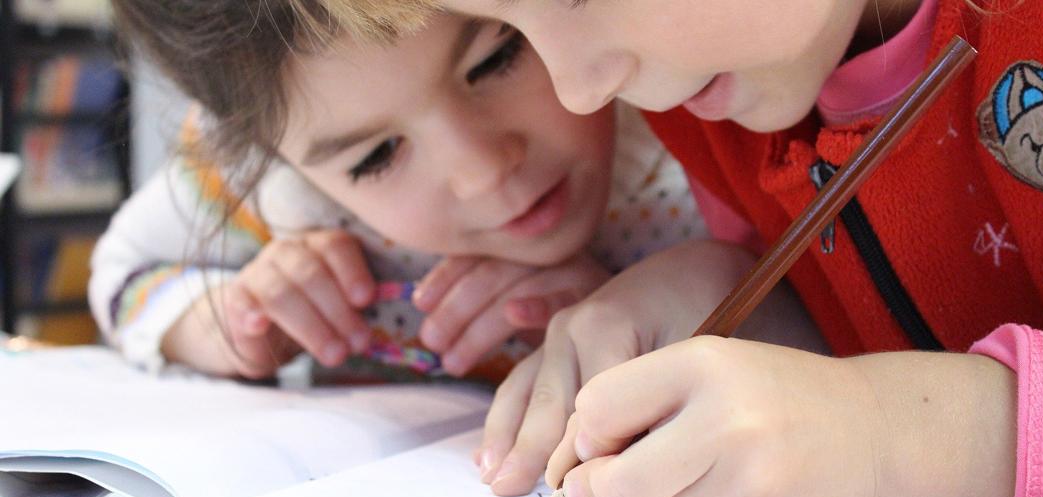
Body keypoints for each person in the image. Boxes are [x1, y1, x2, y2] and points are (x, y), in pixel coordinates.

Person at [324, 0, 1043, 497]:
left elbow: (878, 405)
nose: (580, 90)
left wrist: (887, 436)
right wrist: (726, 290)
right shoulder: (710, 100)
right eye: (518, 26)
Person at [90, 2, 823, 387]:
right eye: (376, 157)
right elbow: (122, 272)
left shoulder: (697, 107)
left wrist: (677, 311)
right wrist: (226, 324)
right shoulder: (272, 194)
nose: (482, 171)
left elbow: (838, 343)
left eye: (498, 57)